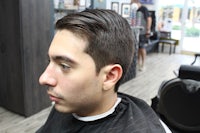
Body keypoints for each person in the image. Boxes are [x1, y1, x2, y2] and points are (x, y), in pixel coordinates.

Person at [36, 9, 170, 133]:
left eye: (65, 66)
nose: (44, 78)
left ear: (109, 76)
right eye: (50, 61)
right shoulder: (67, 102)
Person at [131, 0, 152, 71]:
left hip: (143, 32)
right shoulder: (134, 9)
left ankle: (143, 64)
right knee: (138, 48)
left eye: (131, 1)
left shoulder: (144, 9)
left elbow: (149, 19)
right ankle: (138, 63)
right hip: (136, 32)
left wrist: (148, 30)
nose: (130, 2)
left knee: (142, 48)